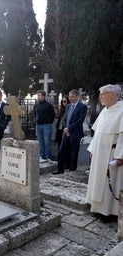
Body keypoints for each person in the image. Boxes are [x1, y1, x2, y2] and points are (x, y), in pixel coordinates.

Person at [86, 84, 123, 221]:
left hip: (112, 154)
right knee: (97, 180)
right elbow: (97, 133)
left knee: (110, 183)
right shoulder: (104, 111)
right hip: (99, 153)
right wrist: (92, 149)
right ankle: (96, 208)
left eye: (103, 94)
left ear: (112, 95)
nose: (100, 97)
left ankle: (108, 212)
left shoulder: (122, 110)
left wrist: (120, 156)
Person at [54, 89, 87, 174]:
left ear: (77, 96)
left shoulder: (82, 107)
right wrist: (66, 128)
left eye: (72, 96)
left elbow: (80, 121)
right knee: (61, 151)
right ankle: (60, 170)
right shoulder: (68, 106)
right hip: (66, 133)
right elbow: (64, 119)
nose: (70, 98)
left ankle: (72, 171)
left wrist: (69, 128)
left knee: (74, 152)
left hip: (75, 133)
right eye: (69, 96)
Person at [33, 90, 55, 162]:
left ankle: (48, 157)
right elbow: (35, 114)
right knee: (40, 142)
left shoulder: (48, 105)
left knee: (47, 142)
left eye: (39, 95)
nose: (38, 97)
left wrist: (48, 122)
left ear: (43, 96)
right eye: (37, 95)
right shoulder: (36, 105)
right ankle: (42, 157)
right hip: (38, 125)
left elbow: (53, 115)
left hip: (47, 125)